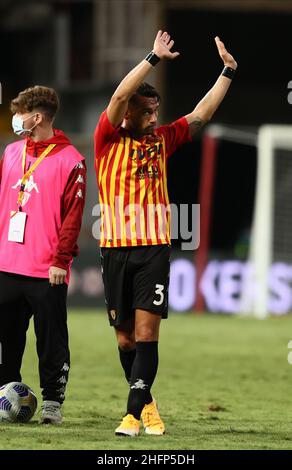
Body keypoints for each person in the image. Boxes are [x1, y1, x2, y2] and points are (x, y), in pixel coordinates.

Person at [94, 31, 237, 436]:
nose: (154, 118)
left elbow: (200, 115)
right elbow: (121, 94)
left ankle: (131, 415)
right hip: (114, 251)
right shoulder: (107, 140)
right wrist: (152, 58)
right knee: (124, 342)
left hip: (153, 250)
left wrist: (227, 72)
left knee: (145, 334)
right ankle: (149, 405)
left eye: (157, 110)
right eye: (147, 112)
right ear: (127, 115)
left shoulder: (162, 140)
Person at [0, 86, 86, 424]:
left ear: (36, 117)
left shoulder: (71, 161)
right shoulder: (10, 152)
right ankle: (5, 393)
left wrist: (60, 261)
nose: (15, 119)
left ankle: (52, 401)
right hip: (6, 264)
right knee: (6, 338)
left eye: (19, 113)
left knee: (51, 340)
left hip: (46, 269)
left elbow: (73, 217)